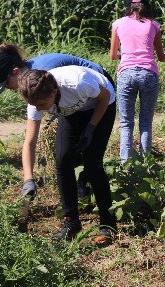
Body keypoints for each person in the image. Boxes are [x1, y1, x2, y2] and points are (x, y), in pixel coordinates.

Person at [0, 44, 114, 201]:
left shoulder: (44, 75)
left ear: (16, 72)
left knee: (91, 154)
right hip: (72, 99)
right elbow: (30, 139)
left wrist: (90, 127)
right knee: (67, 153)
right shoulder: (32, 83)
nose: (8, 89)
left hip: (96, 90)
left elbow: (75, 93)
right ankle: (80, 196)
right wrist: (28, 180)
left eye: (6, 84)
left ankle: (90, 191)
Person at [17, 67, 116, 243]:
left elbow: (105, 96)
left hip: (101, 104)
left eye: (41, 104)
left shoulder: (78, 82)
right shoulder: (37, 99)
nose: (39, 109)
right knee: (62, 160)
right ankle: (71, 223)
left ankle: (107, 223)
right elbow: (29, 142)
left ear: (54, 91)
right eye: (35, 105)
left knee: (92, 163)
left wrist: (91, 128)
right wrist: (28, 179)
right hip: (71, 109)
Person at [110, 0, 165, 163]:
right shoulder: (153, 25)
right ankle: (145, 164)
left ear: (128, 6)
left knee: (126, 123)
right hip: (148, 73)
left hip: (126, 73)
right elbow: (161, 57)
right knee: (145, 122)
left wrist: (125, 54)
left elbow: (113, 55)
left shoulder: (118, 24)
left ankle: (125, 165)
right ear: (146, 6)